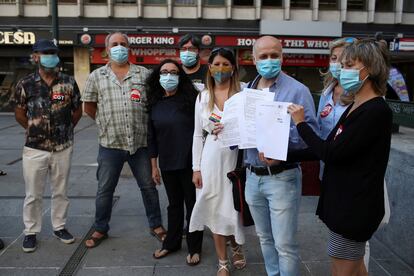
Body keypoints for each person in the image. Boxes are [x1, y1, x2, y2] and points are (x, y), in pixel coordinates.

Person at [288, 39, 392, 276]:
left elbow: (331, 153)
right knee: (356, 269)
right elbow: (329, 145)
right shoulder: (355, 106)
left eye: (349, 65)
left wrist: (301, 124)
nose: (342, 71)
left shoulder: (375, 111)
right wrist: (284, 155)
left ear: (369, 68)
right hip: (344, 204)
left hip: (354, 210)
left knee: (342, 269)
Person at [240, 36, 318, 276]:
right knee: (264, 238)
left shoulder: (297, 90)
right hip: (253, 176)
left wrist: (282, 151)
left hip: (282, 178)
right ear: (254, 60)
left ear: (282, 57)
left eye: (274, 55)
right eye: (263, 56)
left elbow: (311, 136)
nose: (269, 60)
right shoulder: (247, 90)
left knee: (284, 244)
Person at [82, 32, 165, 248]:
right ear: (107, 50)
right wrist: (104, 122)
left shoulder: (144, 74)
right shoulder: (96, 76)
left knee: (148, 187)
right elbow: (89, 106)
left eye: (123, 44)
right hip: (110, 144)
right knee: (104, 189)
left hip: (140, 145)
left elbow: (152, 105)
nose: (119, 47)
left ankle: (156, 225)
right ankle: (100, 228)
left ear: (129, 49)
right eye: (115, 44)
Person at [13, 39, 82, 253]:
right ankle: (31, 232)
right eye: (45, 53)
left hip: (63, 147)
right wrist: (34, 129)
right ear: (35, 57)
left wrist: (66, 129)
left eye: (53, 52)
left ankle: (59, 227)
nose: (50, 56)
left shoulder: (69, 82)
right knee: (33, 193)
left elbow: (77, 109)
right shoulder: (25, 83)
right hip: (35, 148)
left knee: (60, 191)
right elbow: (19, 112)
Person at [190, 48, 246, 276]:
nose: (220, 69)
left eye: (225, 64)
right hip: (211, 161)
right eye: (216, 64)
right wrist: (196, 168)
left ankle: (236, 245)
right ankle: (222, 260)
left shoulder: (243, 93)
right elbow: (196, 134)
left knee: (232, 210)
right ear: (209, 67)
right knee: (214, 209)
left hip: (236, 160)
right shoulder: (203, 96)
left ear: (233, 67)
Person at [146, 59, 203, 265]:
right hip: (167, 162)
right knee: (174, 205)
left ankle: (195, 247)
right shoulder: (154, 102)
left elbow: (201, 131)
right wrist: (154, 166)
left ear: (180, 76)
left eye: (173, 72)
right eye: (164, 72)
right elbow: (151, 137)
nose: (168, 76)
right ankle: (171, 243)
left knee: (192, 204)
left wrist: (199, 165)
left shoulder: (192, 100)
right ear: (158, 76)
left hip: (190, 162)